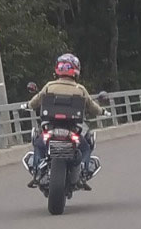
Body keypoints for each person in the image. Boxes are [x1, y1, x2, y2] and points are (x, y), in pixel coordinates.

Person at [27, 54, 104, 187]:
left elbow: (34, 102)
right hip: (72, 130)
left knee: (38, 144)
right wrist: (102, 111)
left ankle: (37, 171)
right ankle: (83, 173)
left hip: (51, 129)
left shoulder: (49, 86)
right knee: (86, 148)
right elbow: (93, 107)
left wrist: (27, 105)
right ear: (76, 70)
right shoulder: (80, 90)